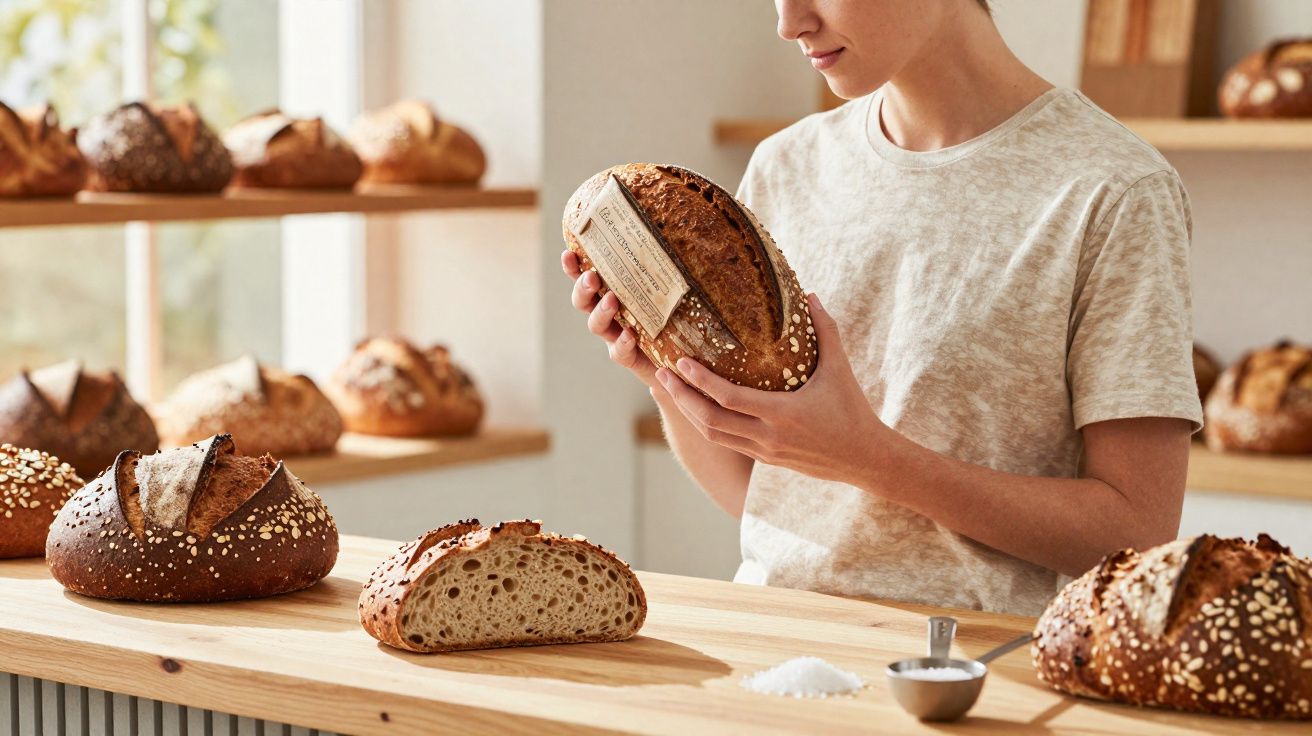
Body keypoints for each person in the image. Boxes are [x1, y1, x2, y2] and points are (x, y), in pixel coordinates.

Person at [561, 0, 1202, 615]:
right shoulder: (787, 165)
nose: (789, 22)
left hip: (970, 672)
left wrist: (867, 457)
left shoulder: (1113, 190)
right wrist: (665, 374)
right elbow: (773, 504)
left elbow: (1137, 533)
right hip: (777, 642)